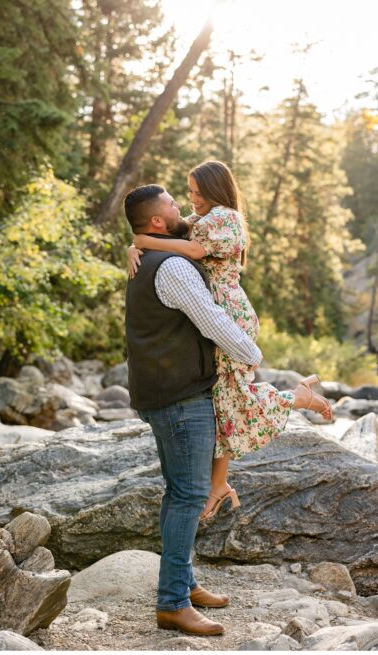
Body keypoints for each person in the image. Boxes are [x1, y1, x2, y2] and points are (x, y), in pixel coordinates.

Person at [128, 161, 333, 522]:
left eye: (195, 192)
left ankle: (298, 398)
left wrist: (142, 241)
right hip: (218, 306)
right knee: (225, 399)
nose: (190, 200)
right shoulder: (204, 219)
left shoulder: (225, 218)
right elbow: (172, 232)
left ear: (215, 191)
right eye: (186, 194)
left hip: (229, 313)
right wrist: (135, 244)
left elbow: (188, 250)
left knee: (230, 397)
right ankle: (219, 483)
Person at [123, 183, 268, 636]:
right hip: (182, 398)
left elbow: (190, 243)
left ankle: (184, 584)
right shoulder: (173, 268)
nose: (181, 206)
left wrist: (135, 243)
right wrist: (251, 353)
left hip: (163, 395)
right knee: (189, 495)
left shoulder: (154, 256)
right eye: (171, 201)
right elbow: (211, 318)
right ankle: (172, 604)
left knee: (177, 493)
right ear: (157, 222)